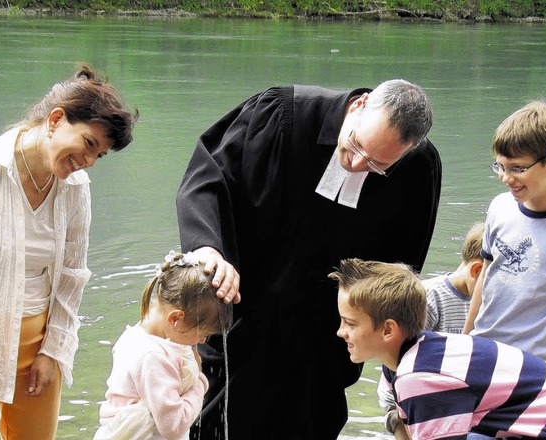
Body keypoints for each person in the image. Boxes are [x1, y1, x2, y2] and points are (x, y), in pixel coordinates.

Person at [175, 79, 442, 439]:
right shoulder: (283, 115)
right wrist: (208, 248)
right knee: (220, 420)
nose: (356, 164)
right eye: (355, 145)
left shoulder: (417, 168)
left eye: (377, 165)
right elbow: (207, 177)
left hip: (327, 337)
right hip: (246, 308)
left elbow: (399, 269)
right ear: (359, 105)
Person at [0, 63, 138, 440]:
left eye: (99, 155)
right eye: (89, 144)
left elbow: (73, 275)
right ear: (56, 119)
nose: (88, 162)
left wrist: (53, 350)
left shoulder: (75, 187)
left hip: (37, 345)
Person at [331, 258, 546, 439]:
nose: (340, 331)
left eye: (350, 323)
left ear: (388, 330)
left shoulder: (422, 377)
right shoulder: (408, 360)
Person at [463, 100, 546, 389]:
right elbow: (486, 276)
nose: (505, 177)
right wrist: (465, 340)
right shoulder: (500, 207)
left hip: (534, 368)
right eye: (500, 166)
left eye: (517, 168)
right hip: (482, 354)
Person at [94, 251, 233, 440]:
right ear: (176, 318)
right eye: (203, 333)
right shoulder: (153, 358)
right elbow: (174, 426)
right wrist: (199, 383)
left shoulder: (137, 336)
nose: (202, 341)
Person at [378, 221, 485, 439]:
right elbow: (399, 368)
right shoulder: (428, 299)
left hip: (452, 403)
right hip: (406, 403)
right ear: (477, 270)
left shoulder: (486, 304)